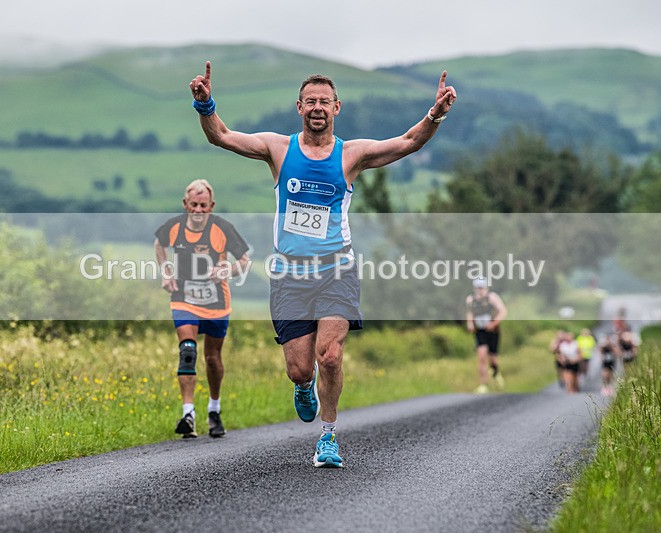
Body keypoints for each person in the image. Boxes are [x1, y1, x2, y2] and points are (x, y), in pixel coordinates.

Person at [189, 61, 456, 467]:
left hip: (337, 270)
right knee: (300, 368)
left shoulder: (352, 155)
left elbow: (407, 142)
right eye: (310, 101)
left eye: (325, 101)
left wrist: (435, 113)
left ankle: (328, 437)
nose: (317, 107)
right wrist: (206, 105)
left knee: (329, 354)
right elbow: (222, 136)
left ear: (337, 107)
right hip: (290, 274)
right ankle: (303, 385)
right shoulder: (278, 148)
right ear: (299, 107)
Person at [154, 179, 250, 439]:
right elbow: (159, 245)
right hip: (184, 298)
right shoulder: (174, 227)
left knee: (212, 358)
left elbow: (244, 260)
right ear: (185, 205)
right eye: (193, 205)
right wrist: (165, 272)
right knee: (187, 350)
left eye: (203, 206)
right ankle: (188, 414)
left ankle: (214, 410)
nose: (198, 210)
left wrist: (227, 269)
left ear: (211, 206)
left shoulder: (222, 228)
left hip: (217, 302)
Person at [465, 277, 508, 394]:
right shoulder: (470, 300)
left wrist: (494, 323)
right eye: (478, 288)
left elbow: (503, 311)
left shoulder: (492, 297)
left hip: (493, 331)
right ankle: (483, 384)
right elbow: (470, 313)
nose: (480, 290)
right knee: (482, 357)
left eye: (482, 287)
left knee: (493, 359)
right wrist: (469, 324)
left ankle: (495, 373)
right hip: (480, 331)